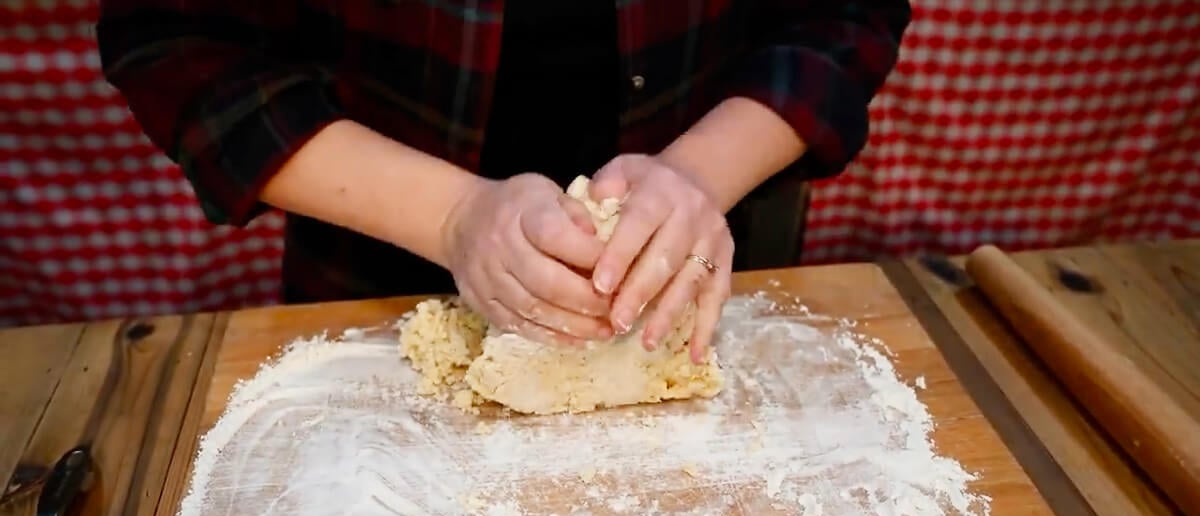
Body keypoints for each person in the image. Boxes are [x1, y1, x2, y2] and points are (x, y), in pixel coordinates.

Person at [96, 1, 910, 363]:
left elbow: (842, 15)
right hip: (377, 270)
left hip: (704, 262)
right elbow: (176, 38)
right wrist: (451, 214)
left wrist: (698, 173)